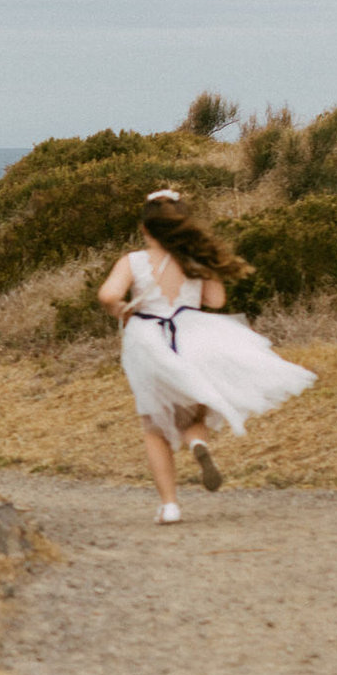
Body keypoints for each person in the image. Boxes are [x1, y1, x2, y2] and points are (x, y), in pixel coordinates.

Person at [97, 189, 316, 524]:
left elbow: (108, 294)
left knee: (155, 426)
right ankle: (199, 444)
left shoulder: (133, 262)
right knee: (191, 414)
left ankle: (169, 505)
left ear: (144, 229)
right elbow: (215, 301)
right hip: (192, 334)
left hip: (149, 338)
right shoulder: (195, 261)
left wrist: (120, 308)